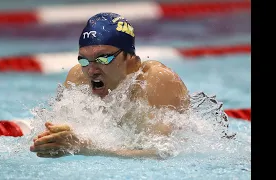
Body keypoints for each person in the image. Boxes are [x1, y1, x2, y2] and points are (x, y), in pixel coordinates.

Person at [30, 12, 190, 159]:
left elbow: (162, 153)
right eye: (84, 60)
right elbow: (62, 130)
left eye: (103, 58)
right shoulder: (78, 77)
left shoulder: (157, 81)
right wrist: (56, 138)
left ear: (130, 58)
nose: (91, 70)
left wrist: (87, 147)